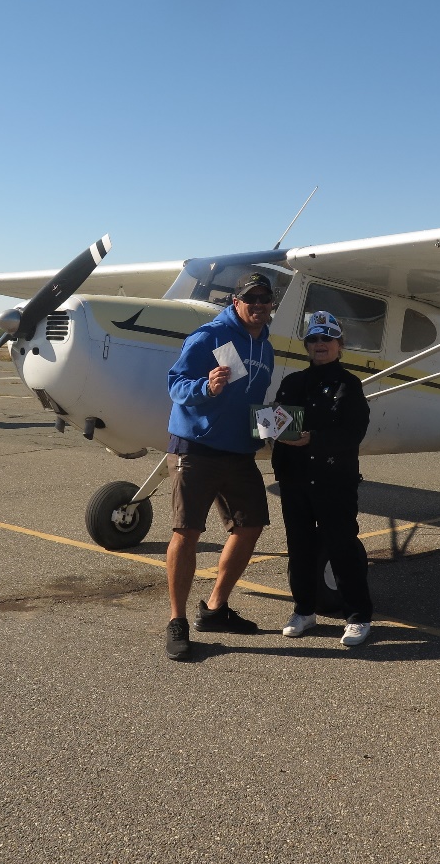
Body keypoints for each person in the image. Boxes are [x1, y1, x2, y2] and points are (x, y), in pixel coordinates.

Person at [163, 273, 276, 660]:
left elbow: (252, 399)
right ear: (235, 301)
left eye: (266, 299)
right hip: (198, 448)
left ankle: (214, 608)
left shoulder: (265, 346)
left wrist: (269, 428)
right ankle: (177, 620)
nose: (259, 305)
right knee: (187, 530)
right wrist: (205, 388)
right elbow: (175, 384)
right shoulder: (208, 336)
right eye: (252, 298)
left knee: (251, 526)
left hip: (239, 452)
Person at [272, 310, 373, 646]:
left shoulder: (349, 385)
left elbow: (353, 432)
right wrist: (271, 434)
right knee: (299, 547)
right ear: (307, 346)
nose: (320, 344)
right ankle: (303, 610)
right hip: (296, 481)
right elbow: (275, 424)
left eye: (327, 338)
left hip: (334, 481)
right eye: (313, 339)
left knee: (341, 547)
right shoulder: (292, 383)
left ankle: (358, 615)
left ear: (339, 345)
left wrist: (313, 438)